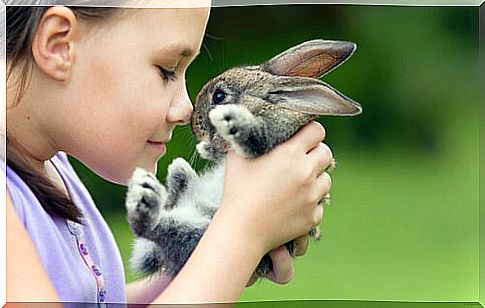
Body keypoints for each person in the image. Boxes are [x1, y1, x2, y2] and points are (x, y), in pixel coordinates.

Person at [5, 1, 333, 305]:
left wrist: (210, 256)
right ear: (59, 45)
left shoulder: (49, 169)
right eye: (166, 69)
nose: (186, 109)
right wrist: (241, 234)